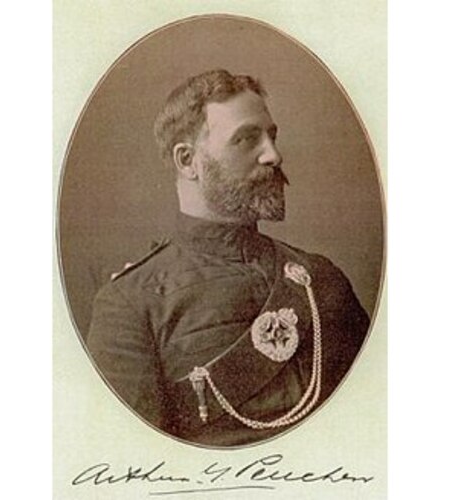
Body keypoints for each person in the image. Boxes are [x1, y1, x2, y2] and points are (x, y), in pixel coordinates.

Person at [87, 69, 370, 446]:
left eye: (271, 136)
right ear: (188, 161)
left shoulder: (320, 280)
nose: (273, 155)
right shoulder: (131, 304)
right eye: (246, 139)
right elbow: (135, 458)